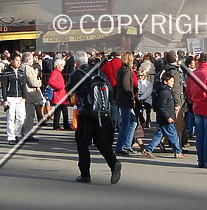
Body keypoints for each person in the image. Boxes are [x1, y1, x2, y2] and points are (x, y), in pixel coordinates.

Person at [66, 51, 121, 184]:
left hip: (86, 113)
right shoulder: (98, 72)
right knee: (101, 142)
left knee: (82, 143)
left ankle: (85, 174)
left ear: (76, 63)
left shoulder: (76, 74)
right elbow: (110, 90)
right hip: (102, 112)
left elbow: (68, 89)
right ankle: (114, 163)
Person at [186, 51, 207, 168]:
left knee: (200, 135)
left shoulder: (193, 74)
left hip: (197, 106)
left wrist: (193, 101)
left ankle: (201, 160)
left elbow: (188, 91)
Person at [142, 71, 184, 159]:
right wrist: (168, 117)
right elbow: (161, 106)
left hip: (165, 116)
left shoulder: (166, 91)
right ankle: (178, 151)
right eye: (171, 81)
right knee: (173, 135)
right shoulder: (165, 92)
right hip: (166, 117)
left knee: (160, 134)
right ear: (165, 82)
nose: (173, 83)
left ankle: (148, 149)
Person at [0, 53, 26, 144]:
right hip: (10, 97)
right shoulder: (6, 72)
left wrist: (24, 97)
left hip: (20, 97)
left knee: (21, 117)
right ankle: (11, 137)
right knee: (10, 118)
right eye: (16, 61)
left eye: (19, 61)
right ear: (12, 61)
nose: (18, 63)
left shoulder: (21, 72)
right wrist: (5, 99)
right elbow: (4, 87)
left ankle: (16, 133)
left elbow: (23, 85)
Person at [114, 52, 139, 155]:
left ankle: (127, 144)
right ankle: (120, 146)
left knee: (132, 122)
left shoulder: (121, 69)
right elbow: (125, 85)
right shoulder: (126, 70)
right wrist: (131, 95)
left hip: (122, 98)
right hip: (126, 99)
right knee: (126, 123)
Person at [20, 52, 43, 142]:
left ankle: (25, 133)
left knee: (26, 115)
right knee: (29, 115)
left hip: (25, 93)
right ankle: (27, 134)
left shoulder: (21, 67)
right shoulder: (27, 68)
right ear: (28, 59)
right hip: (30, 94)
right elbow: (33, 82)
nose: (33, 60)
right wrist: (39, 82)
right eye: (32, 58)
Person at [47, 58, 70, 130]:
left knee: (62, 111)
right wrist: (59, 87)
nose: (63, 67)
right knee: (59, 111)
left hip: (61, 94)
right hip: (59, 94)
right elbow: (51, 82)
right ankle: (57, 125)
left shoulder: (57, 72)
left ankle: (63, 125)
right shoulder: (55, 73)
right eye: (62, 66)